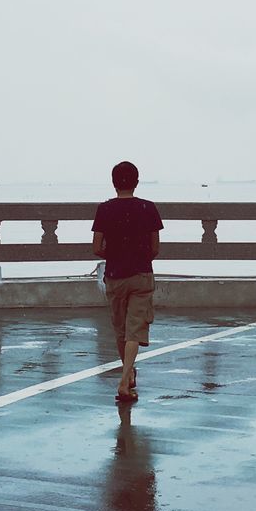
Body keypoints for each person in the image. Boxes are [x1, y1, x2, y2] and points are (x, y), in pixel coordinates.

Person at [92, 161, 162, 403]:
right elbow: (155, 247)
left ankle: (128, 374)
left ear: (113, 183)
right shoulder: (148, 208)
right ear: (137, 182)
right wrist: (139, 256)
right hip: (141, 275)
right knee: (135, 330)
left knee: (121, 331)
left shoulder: (104, 210)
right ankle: (125, 378)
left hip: (115, 276)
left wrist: (114, 255)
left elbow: (96, 247)